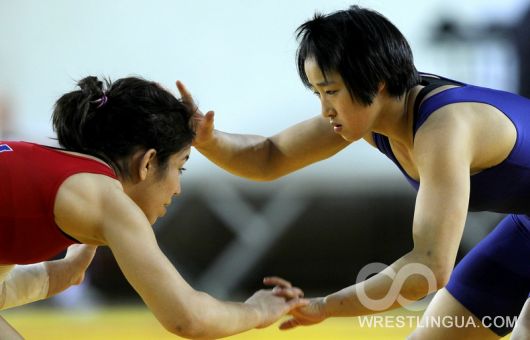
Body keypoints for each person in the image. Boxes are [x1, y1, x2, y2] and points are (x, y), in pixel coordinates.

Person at [178, 5, 530, 339]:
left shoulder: (445, 129)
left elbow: (429, 267)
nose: (325, 109)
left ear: (376, 82)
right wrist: (208, 140)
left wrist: (327, 305)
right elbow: (269, 157)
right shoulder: (375, 114)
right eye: (317, 92)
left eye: (331, 92)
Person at [0, 76, 308, 339]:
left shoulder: (44, 173)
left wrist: (70, 269)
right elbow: (187, 318)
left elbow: (38, 282)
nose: (178, 188)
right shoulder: (106, 198)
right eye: (180, 167)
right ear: (147, 162)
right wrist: (257, 310)